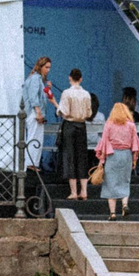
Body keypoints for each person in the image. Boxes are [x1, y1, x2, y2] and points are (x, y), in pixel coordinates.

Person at [92, 101, 139, 219]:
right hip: (126, 155)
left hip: (112, 155)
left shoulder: (109, 124)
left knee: (110, 183)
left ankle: (112, 213)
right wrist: (134, 160)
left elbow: (104, 143)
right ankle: (124, 205)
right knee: (125, 181)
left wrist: (101, 161)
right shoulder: (131, 125)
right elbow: (135, 144)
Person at [56, 68, 95, 200]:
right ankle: (84, 191)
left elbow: (65, 112)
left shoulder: (67, 93)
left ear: (69, 78)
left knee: (70, 157)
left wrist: (56, 106)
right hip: (82, 126)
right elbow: (89, 114)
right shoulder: (86, 94)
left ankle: (73, 192)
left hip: (69, 126)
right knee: (82, 156)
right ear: (81, 79)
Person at [19, 55, 52, 175]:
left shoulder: (38, 79)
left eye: (49, 68)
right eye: (46, 67)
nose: (48, 70)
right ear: (41, 66)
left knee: (37, 137)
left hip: (36, 112)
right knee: (34, 137)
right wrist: (38, 112)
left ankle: (32, 163)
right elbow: (33, 97)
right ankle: (29, 163)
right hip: (34, 112)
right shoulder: (35, 79)